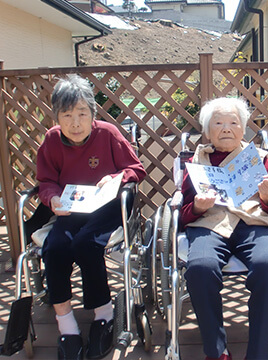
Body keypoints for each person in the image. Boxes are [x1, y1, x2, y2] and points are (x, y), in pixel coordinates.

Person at [36, 74, 146, 360]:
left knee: (86, 244)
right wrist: (53, 198)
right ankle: (66, 324)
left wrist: (116, 176)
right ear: (57, 117)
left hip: (107, 208)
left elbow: (135, 169)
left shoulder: (107, 133)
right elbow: (45, 180)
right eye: (67, 115)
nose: (75, 123)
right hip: (70, 209)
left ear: (93, 114)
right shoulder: (51, 140)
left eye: (82, 113)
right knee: (55, 248)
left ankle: (103, 313)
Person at [181, 97, 268, 360]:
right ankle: (217, 351)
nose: (226, 128)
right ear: (206, 131)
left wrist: (267, 197)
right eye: (218, 123)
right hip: (210, 223)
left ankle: (259, 354)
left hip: (252, 222)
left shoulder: (258, 158)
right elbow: (182, 213)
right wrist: (197, 207)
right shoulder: (196, 160)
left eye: (233, 122)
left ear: (243, 129)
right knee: (200, 267)